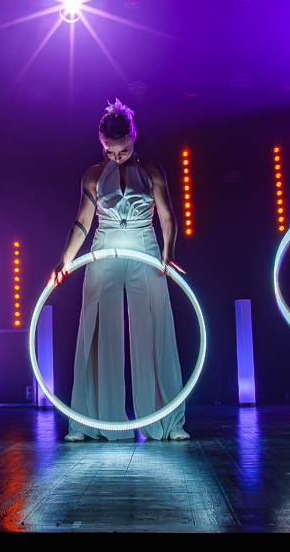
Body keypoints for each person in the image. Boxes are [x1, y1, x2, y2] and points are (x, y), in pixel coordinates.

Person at [50, 100, 189, 441]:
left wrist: (168, 253)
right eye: (109, 152)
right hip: (104, 250)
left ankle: (167, 422)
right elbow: (83, 222)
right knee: (98, 329)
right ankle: (89, 421)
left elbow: (168, 217)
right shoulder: (93, 175)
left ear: (133, 138)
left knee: (154, 327)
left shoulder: (153, 170)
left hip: (145, 249)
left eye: (123, 150)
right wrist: (64, 260)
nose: (116, 157)